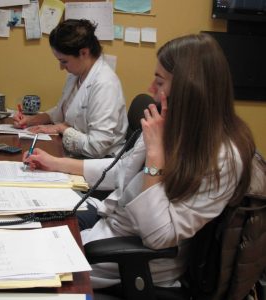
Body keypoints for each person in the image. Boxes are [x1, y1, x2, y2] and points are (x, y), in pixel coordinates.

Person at [23, 33, 255, 289]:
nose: (150, 89)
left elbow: (159, 237)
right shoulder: (173, 125)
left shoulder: (223, 159)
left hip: (134, 262)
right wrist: (55, 163)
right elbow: (121, 170)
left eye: (160, 81)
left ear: (190, 89)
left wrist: (155, 156)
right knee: (26, 231)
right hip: (110, 229)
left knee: (22, 276)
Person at [14, 19, 128, 158]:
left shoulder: (105, 85)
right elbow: (62, 111)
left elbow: (98, 147)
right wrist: (31, 120)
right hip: (75, 154)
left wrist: (62, 128)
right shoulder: (77, 75)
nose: (61, 67)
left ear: (84, 53)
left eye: (64, 61)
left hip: (101, 162)